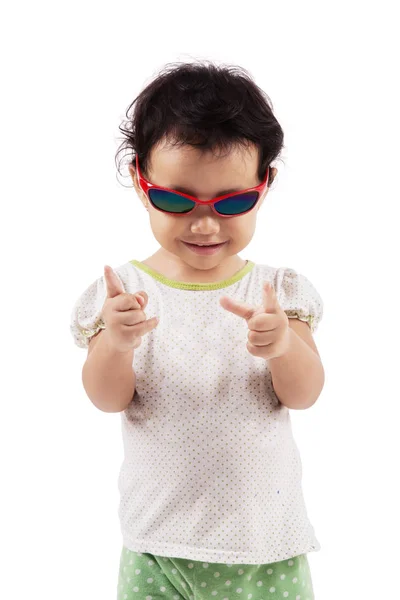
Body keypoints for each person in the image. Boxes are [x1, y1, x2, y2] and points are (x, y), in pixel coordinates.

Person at [70, 60, 325, 600]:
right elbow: (106, 398)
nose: (204, 224)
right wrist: (115, 344)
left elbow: (304, 394)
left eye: (231, 202)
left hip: (265, 549)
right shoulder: (123, 293)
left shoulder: (279, 293)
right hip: (157, 546)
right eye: (175, 199)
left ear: (265, 184)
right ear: (142, 182)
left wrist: (282, 346)